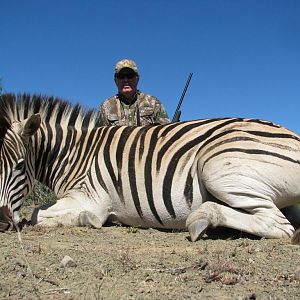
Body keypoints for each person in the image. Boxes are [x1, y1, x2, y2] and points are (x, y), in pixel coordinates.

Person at [99, 59, 170, 126]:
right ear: (115, 80)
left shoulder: (153, 102)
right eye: (121, 76)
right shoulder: (106, 106)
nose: (126, 80)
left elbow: (165, 133)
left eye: (130, 76)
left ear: (137, 79)